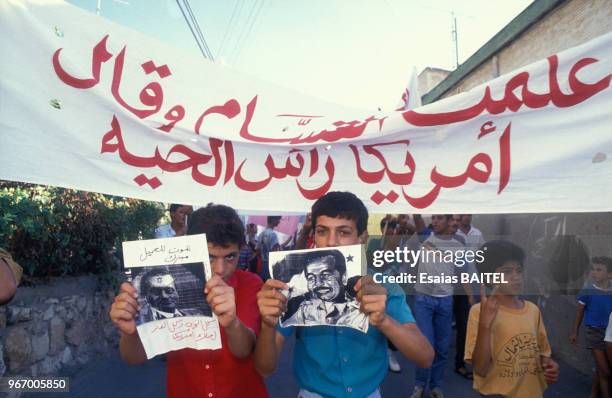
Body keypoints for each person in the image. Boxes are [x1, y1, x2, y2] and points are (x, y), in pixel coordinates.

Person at [255, 191, 433, 398]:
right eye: (322, 231)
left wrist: (384, 321)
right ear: (314, 236)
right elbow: (264, 368)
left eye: (344, 232)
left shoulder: (383, 285)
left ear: (362, 238)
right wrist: (267, 326)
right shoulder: (295, 287)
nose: (331, 242)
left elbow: (425, 357)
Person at [110, 204, 268, 398]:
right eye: (210, 256)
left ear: (240, 250)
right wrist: (130, 333)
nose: (220, 269)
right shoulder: (165, 288)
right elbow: (133, 357)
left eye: (230, 257)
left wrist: (232, 323)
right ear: (190, 248)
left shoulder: (251, 284)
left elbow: (244, 350)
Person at [465, 240, 559, 398]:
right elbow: (480, 368)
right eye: (507, 271)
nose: (516, 277)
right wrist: (485, 324)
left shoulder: (533, 310)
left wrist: (550, 365)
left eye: (519, 270)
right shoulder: (479, 312)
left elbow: (544, 353)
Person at [411, 214, 473, 398]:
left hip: (445, 301)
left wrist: (471, 297)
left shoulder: (459, 243)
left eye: (439, 218)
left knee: (442, 347)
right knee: (425, 344)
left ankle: (435, 386)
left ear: (448, 221)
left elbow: (463, 272)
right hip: (424, 300)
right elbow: (417, 220)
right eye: (434, 218)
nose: (435, 222)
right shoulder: (426, 236)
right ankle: (419, 385)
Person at [282, 250, 367, 331]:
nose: (318, 283)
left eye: (326, 275)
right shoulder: (305, 311)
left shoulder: (361, 309)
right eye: (311, 278)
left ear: (344, 277)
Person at [570, 256, 612, 398]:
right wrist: (574, 331)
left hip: (610, 334)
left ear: (610, 274)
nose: (594, 273)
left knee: (601, 369)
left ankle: (593, 393)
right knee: (605, 371)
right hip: (594, 332)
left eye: (599, 270)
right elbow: (579, 313)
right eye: (593, 269)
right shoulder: (587, 291)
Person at [257, 216, 282, 281]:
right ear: (273, 219)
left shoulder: (261, 234)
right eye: (278, 219)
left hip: (262, 265)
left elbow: (258, 250)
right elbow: (275, 253)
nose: (279, 221)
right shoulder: (273, 234)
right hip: (270, 265)